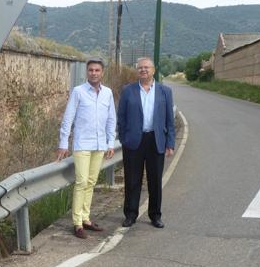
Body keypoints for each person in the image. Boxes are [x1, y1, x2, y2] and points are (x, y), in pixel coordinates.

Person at [57, 58, 116, 239]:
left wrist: (110, 142)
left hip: (99, 145)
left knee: (91, 182)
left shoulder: (108, 93)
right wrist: (63, 144)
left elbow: (111, 119)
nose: (94, 73)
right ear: (87, 72)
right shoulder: (78, 92)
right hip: (82, 144)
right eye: (91, 70)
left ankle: (85, 218)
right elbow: (68, 118)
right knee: (81, 182)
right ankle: (77, 224)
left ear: (102, 72)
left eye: (97, 70)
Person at [117, 57, 175, 229]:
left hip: (155, 140)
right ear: (137, 71)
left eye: (146, 67)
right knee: (132, 180)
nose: (143, 70)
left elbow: (169, 120)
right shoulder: (128, 90)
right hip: (134, 141)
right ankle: (130, 214)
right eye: (140, 67)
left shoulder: (165, 91)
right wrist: (124, 139)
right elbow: (121, 118)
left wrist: (170, 142)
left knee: (155, 180)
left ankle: (155, 215)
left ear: (153, 70)